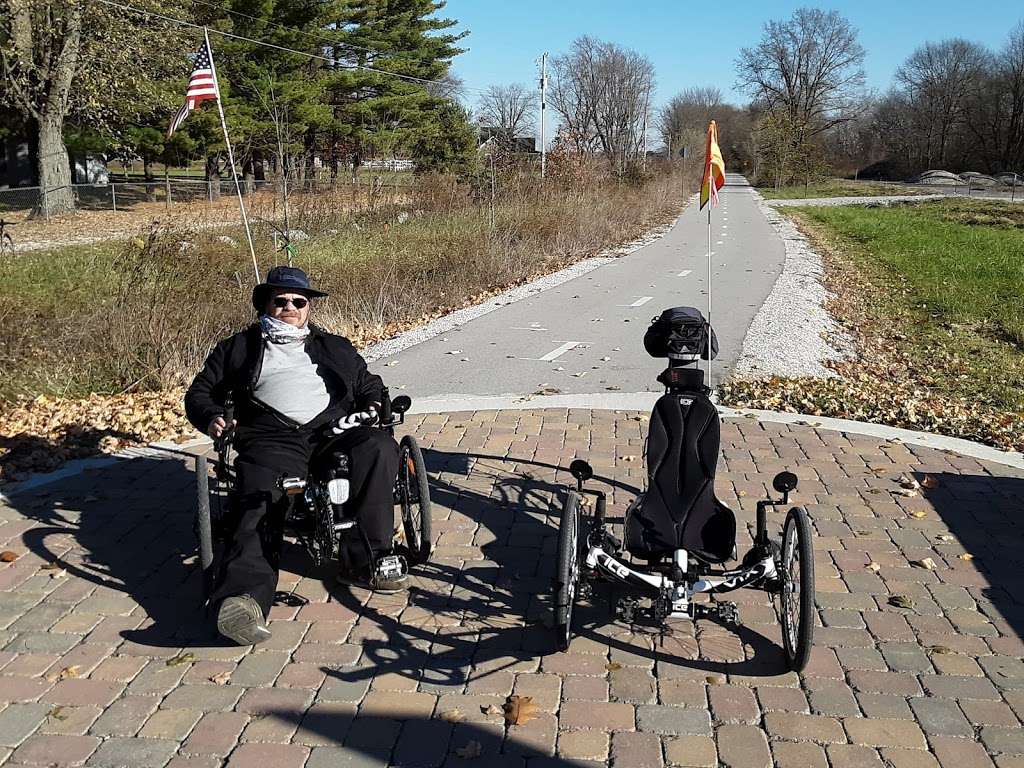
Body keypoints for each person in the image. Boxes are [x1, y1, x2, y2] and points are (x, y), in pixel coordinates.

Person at [185, 266, 402, 645]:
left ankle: (370, 559)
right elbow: (200, 394)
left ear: (308, 308)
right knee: (258, 496)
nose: (289, 307)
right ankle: (243, 598)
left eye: (298, 301)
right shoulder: (237, 347)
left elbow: (368, 383)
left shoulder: (335, 346)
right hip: (272, 438)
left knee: (379, 447)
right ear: (265, 305)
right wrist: (213, 417)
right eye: (280, 300)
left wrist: (372, 402)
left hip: (335, 431)